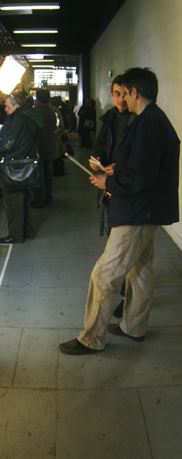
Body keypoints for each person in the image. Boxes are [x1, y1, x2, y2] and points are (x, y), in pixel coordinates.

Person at [59, 67, 180, 355]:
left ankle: (91, 338)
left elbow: (141, 177)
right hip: (149, 211)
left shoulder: (146, 122)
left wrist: (108, 180)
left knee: (104, 275)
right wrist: (116, 168)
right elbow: (144, 167)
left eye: (124, 92)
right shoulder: (155, 118)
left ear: (134, 92)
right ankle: (133, 326)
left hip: (137, 213)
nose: (122, 98)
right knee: (140, 270)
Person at [89, 76, 134, 317]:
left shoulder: (138, 120)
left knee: (125, 248)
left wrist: (120, 167)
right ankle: (122, 292)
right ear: (111, 94)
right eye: (117, 93)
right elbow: (99, 148)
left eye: (125, 93)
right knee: (112, 238)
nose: (121, 98)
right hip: (109, 188)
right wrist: (96, 162)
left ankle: (125, 295)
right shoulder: (107, 120)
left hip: (127, 188)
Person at [0, 91, 44, 244]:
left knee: (13, 202)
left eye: (8, 107)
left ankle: (16, 235)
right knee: (23, 200)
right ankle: (27, 231)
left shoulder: (18, 120)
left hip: (13, 167)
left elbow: (5, 146)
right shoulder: (29, 115)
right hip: (24, 164)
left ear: (17, 105)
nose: (5, 110)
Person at [31, 89, 56, 207]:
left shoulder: (35, 113)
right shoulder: (52, 113)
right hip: (49, 147)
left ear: (38, 99)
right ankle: (49, 197)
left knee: (38, 175)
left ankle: (39, 200)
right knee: (48, 174)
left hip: (38, 148)